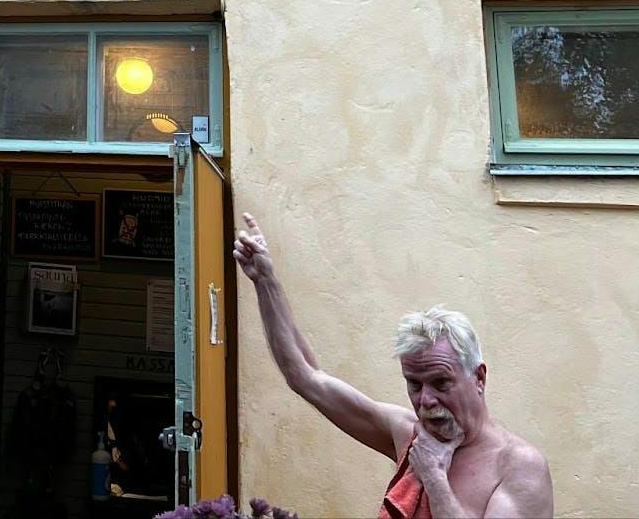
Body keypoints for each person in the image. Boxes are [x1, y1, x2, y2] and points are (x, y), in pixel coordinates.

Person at [233, 213, 553, 518]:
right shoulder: (409, 435)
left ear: (478, 378)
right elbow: (306, 377)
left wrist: (434, 478)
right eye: (414, 384)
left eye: (441, 383)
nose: (426, 400)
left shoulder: (518, 466)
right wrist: (265, 281)